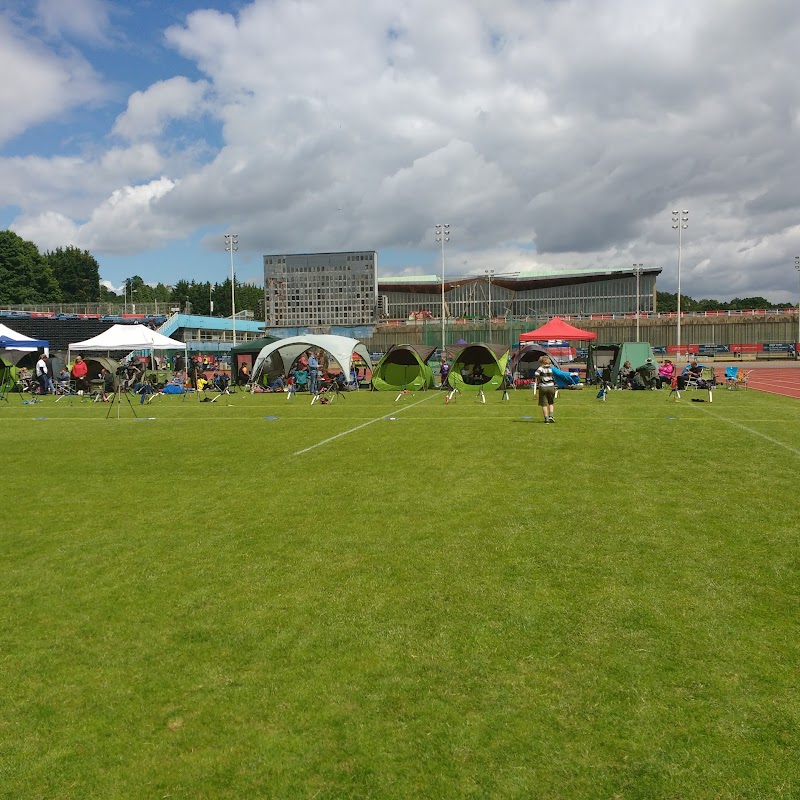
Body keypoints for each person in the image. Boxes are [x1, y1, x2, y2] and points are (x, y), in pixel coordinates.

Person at [533, 355, 557, 423]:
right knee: (551, 402)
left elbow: (536, 373)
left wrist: (540, 378)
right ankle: (551, 416)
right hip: (551, 386)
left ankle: (546, 419)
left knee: (544, 404)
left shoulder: (541, 368)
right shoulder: (552, 368)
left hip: (543, 387)